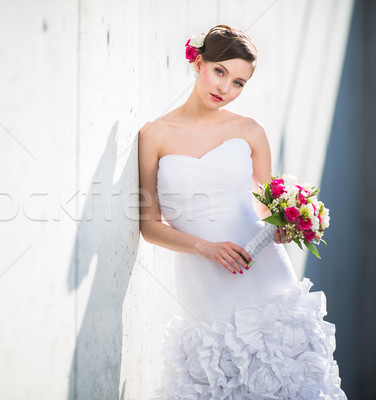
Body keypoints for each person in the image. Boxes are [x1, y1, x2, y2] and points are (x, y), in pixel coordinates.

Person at [138, 25, 347, 399]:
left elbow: (267, 207)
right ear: (198, 62)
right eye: (219, 72)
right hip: (202, 280)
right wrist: (205, 247)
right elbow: (149, 226)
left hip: (261, 271)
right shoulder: (154, 135)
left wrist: (284, 225)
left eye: (238, 83)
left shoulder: (250, 131)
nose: (225, 89)